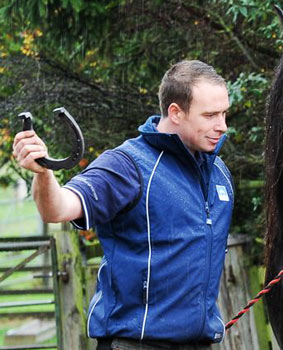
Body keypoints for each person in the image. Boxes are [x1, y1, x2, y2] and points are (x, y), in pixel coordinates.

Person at [12, 60, 233, 349]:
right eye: (210, 115)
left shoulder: (219, 174)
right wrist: (43, 174)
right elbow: (59, 208)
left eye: (224, 113)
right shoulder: (128, 165)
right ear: (176, 113)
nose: (222, 126)